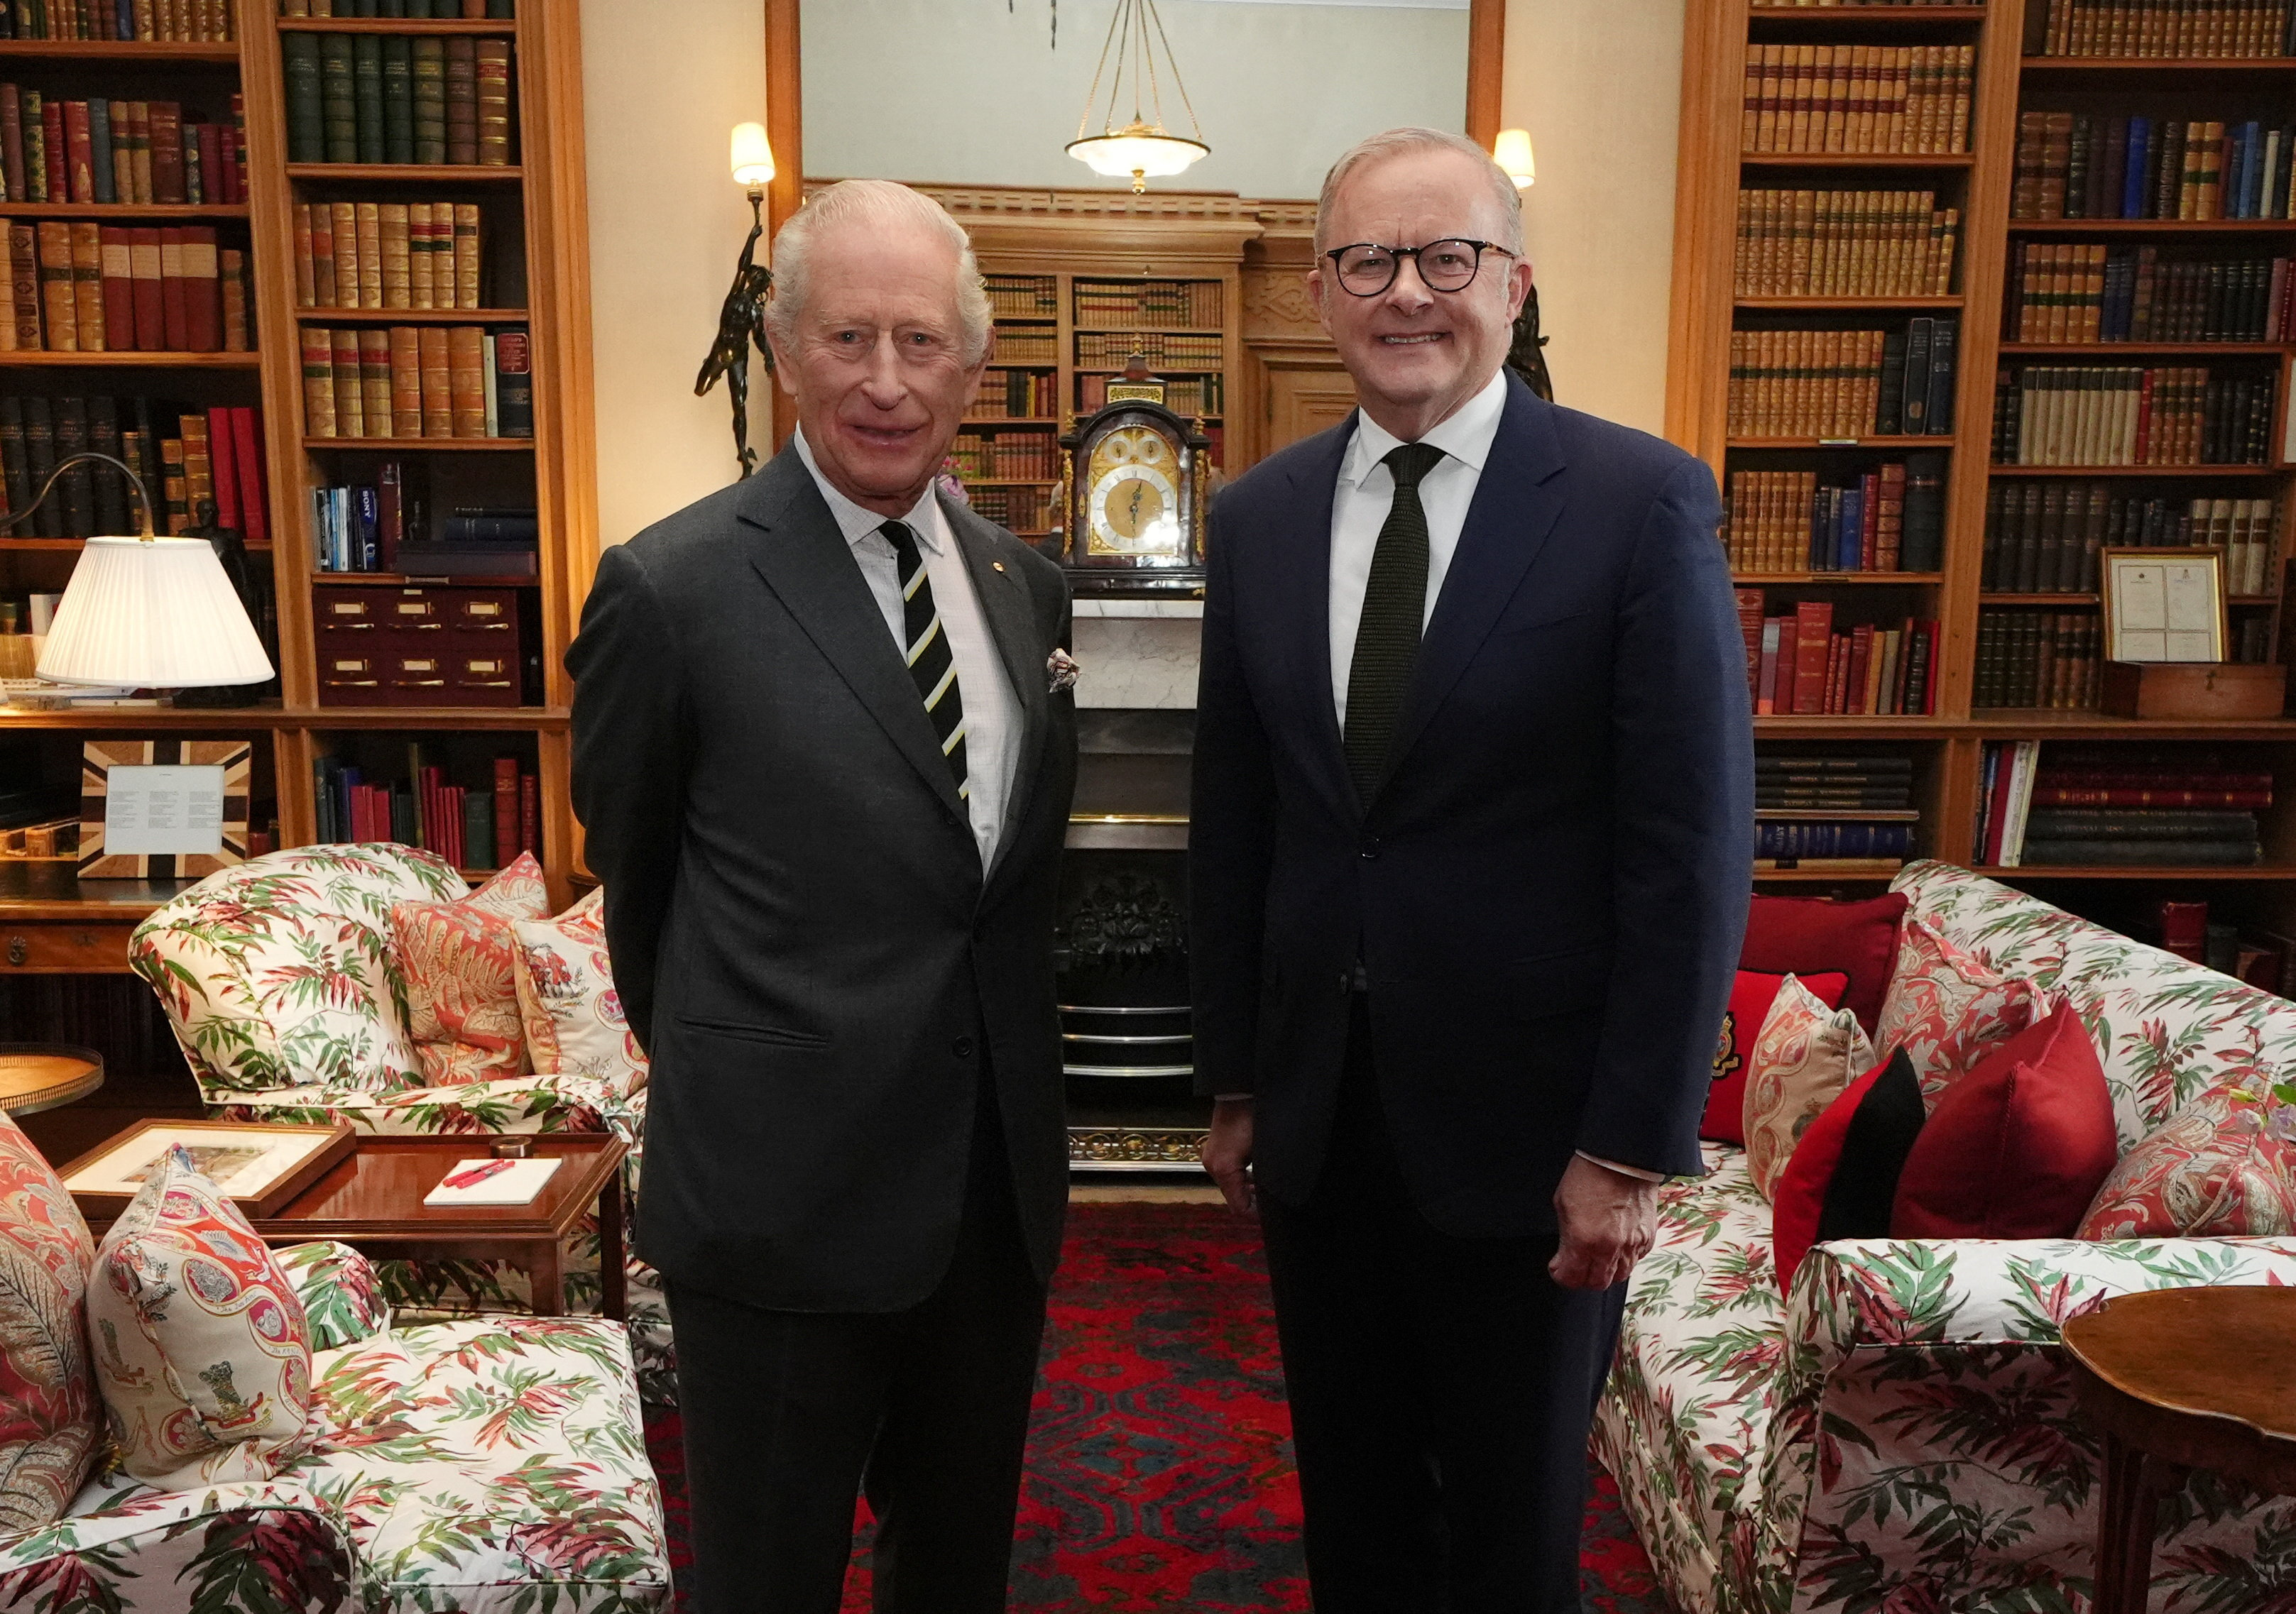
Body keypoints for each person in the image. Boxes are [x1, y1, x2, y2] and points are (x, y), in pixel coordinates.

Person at [1189, 128, 1753, 1613]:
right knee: (1355, 1509)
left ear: (1514, 280)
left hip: (1538, 1138)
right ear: (1321, 291)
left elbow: (1688, 853)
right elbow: (1239, 816)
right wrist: (1237, 1076)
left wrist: (1631, 1146)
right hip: (1323, 1119)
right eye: (1370, 261)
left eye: (1448, 258)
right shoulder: (1257, 518)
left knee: (1512, 1533)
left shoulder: (1639, 504)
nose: (1409, 294)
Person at [567, 179, 1078, 1614]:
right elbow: (640, 885)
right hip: (779, 1201)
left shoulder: (1023, 586)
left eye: (923, 344)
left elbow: (1001, 892)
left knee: (958, 1571)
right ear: (786, 349)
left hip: (989, 1197)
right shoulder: (668, 589)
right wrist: (760, 1065)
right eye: (848, 337)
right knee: (768, 1580)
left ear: (973, 369)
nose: (886, 381)